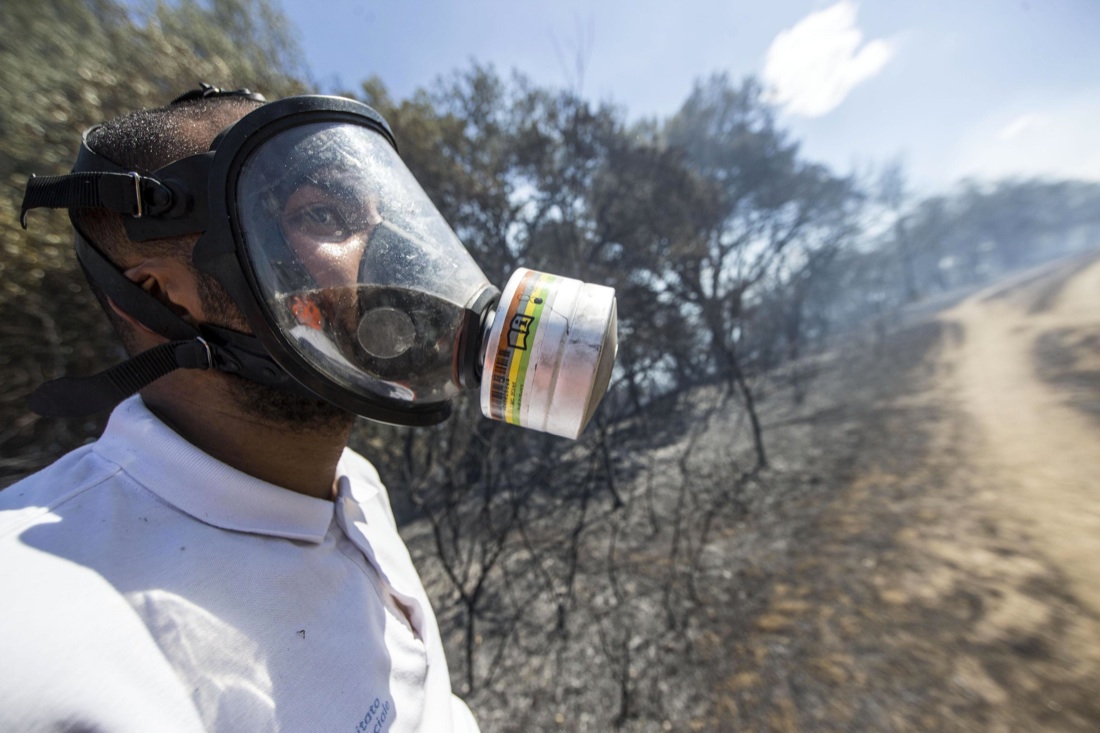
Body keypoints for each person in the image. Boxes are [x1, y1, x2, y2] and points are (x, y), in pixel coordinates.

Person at [0, 86, 486, 732]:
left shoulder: (353, 481)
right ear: (167, 298)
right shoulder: (39, 633)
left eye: (379, 217)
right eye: (324, 214)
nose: (400, 257)